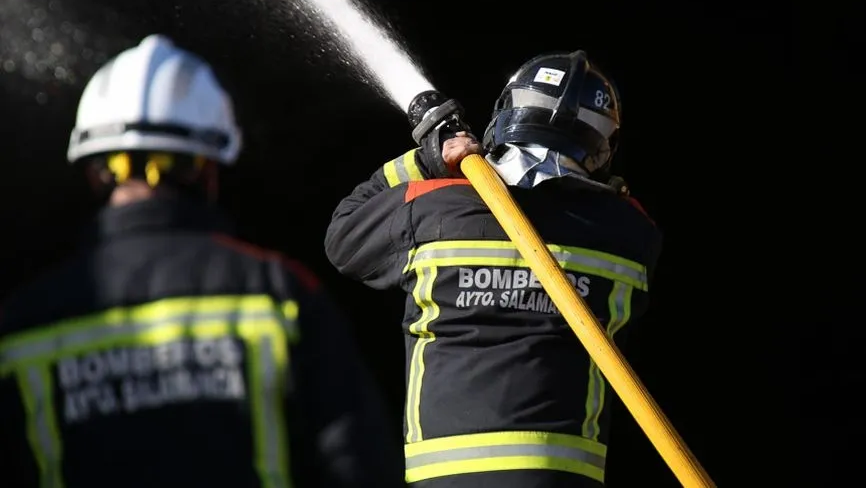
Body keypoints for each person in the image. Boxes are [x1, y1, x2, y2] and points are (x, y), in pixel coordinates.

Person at [0, 34, 405, 488]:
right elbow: (359, 465)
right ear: (206, 168)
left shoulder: (22, 324)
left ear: (95, 172)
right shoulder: (276, 292)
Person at [324, 50, 663, 487]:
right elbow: (620, 211)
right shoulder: (630, 235)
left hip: (445, 474)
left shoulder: (431, 209)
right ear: (603, 145)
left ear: (507, 114)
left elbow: (343, 235)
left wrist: (427, 161)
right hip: (565, 476)